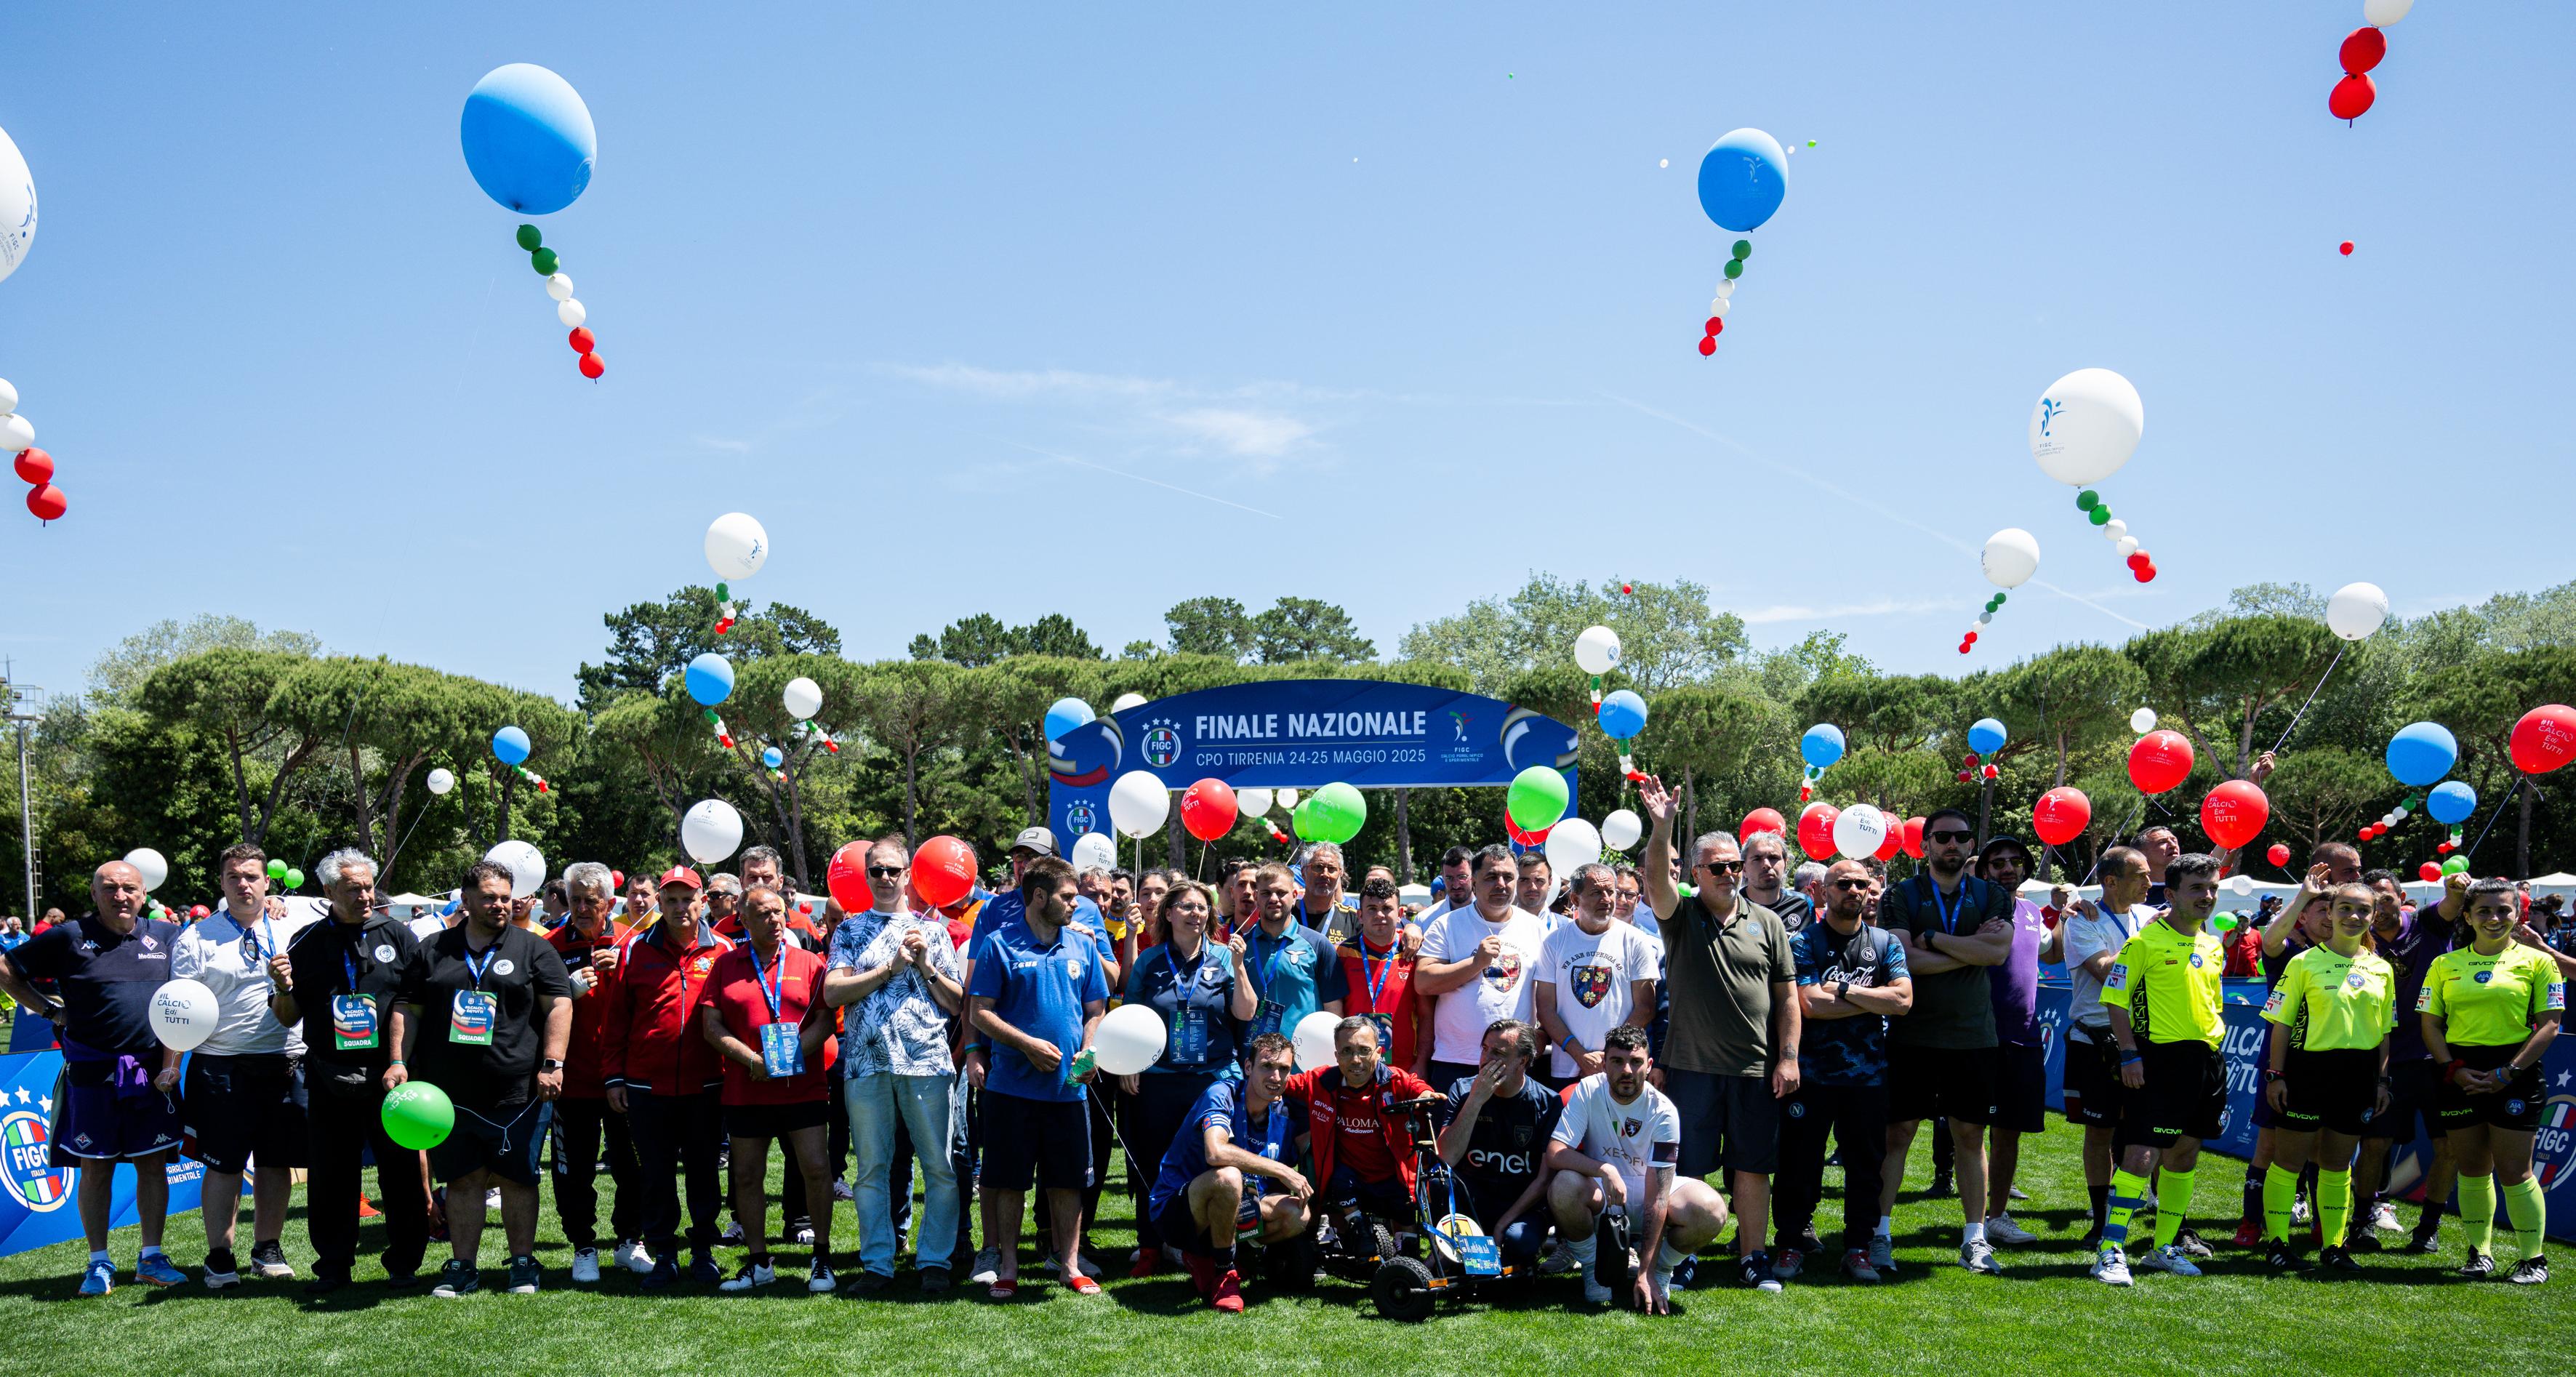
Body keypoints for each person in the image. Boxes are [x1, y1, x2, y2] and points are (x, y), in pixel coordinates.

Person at [1637, 776, 1798, 1292]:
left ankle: (1754, 1257)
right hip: (1691, 1067)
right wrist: (1661, 827)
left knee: (1753, 1169)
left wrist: (1788, 1057)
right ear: (1697, 873)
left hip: (1754, 1069)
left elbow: (1787, 997)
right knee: (1690, 1168)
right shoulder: (1680, 916)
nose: (1729, 873)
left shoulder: (1768, 923)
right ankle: (1685, 1255)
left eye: (1734, 865)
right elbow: (1655, 880)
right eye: (1719, 867)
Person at [0, 861, 189, 1294]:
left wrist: (171, 1063)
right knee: (96, 1166)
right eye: (110, 888)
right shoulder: (67, 936)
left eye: (128, 888)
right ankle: (98, 1262)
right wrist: (51, 1010)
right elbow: (6, 968)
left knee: (152, 1163)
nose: (120, 896)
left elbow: (186, 994)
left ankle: (152, 1256)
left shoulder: (168, 936)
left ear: (144, 895)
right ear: (94, 894)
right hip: (91, 1072)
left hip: (150, 1073)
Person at [390, 859, 574, 1298]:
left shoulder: (534, 949)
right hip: (449, 1095)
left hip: (518, 1091)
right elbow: (407, 1008)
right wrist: (397, 1060)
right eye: (490, 898)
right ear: (466, 900)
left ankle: (523, 1264)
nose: (500, 905)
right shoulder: (433, 949)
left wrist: (553, 1062)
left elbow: (560, 1005)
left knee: (518, 1179)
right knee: (464, 1180)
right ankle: (462, 1267)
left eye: (506, 898)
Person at [268, 848, 430, 1293]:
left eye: (368, 886)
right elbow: (286, 1015)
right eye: (353, 888)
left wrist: (401, 1061)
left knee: (400, 1172)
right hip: (327, 1074)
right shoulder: (305, 941)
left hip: (389, 1073)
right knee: (332, 1175)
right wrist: (282, 986)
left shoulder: (399, 935)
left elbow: (411, 1003)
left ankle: (404, 1264)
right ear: (328, 892)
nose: (364, 895)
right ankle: (334, 1265)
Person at [172, 842, 320, 1287]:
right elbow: (179, 1007)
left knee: (277, 1162)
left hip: (287, 1061)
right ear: (221, 883)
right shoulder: (196, 937)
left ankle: (266, 1248)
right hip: (220, 1064)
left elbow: (347, 905)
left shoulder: (295, 922)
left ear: (267, 882)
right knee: (223, 1165)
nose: (243, 884)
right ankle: (220, 1254)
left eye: (251, 876)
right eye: (234, 876)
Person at [1876, 807, 2015, 1275]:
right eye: (1942, 837)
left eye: (1960, 837)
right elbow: (1904, 961)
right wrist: (1969, 950)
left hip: (1973, 1036)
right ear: (1927, 845)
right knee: (1898, 1134)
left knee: (1970, 1136)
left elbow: (1998, 952)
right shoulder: (1900, 894)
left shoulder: (1992, 893)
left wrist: (1933, 937)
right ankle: (1880, 1233)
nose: (1951, 845)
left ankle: (1974, 1239)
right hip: (1912, 1034)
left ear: (1970, 845)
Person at [826, 838, 967, 1293]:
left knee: (939, 1167)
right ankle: (878, 1265)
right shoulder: (849, 931)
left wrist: (925, 964)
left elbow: (957, 1004)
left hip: (926, 1061)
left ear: (908, 875)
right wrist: (888, 968)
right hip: (867, 1066)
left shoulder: (935, 931)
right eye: (877, 871)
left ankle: (934, 1262)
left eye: (893, 871)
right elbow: (832, 993)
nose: (885, 879)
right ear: (866, 876)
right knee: (871, 1170)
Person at [966, 855, 1110, 1298]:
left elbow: (1096, 1010)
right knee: (1008, 1181)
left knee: (1067, 1181)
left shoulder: (1083, 946)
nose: (1075, 905)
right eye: (1068, 897)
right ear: (1039, 897)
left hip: (1069, 1091)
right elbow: (980, 1013)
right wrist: (1026, 1044)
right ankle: (1008, 1266)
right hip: (1011, 1090)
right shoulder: (998, 945)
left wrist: (1089, 1052)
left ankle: (1069, 1265)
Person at [2093, 853, 2231, 1286]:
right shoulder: (2144, 943)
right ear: (2170, 894)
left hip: (2206, 1062)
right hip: (2156, 1061)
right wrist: (2130, 1055)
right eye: (2196, 888)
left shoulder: (2212, 944)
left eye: (2212, 888)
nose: (2207, 896)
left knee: (2186, 1154)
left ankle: (2163, 1247)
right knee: (2141, 1154)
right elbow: (2116, 1002)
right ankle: (2111, 1249)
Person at [2421, 877, 2564, 1284]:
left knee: (2515, 1171)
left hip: (2516, 1073)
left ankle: (2532, 1259)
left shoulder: (2540, 961)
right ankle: (2479, 1253)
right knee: (2471, 1167)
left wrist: (2508, 1072)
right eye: (2484, 911)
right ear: (2467, 916)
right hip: (2459, 1072)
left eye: (2504, 910)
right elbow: (2430, 1023)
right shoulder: (2445, 964)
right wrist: (2453, 1069)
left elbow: (2550, 1025)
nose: (2495, 918)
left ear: (2517, 915)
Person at [1778, 858, 1912, 1283]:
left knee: (1866, 1166)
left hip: (1868, 1078)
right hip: (1812, 1076)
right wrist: (1873, 996)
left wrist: (1843, 989)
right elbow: (1809, 1004)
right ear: (1823, 891)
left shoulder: (1885, 942)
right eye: (1844, 884)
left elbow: (1904, 1001)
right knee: (1799, 1164)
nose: (1854, 891)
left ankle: (1857, 1247)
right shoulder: (1804, 942)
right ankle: (1790, 1244)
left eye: (1862, 884)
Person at [600, 865, 733, 1288]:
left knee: (704, 1171)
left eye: (687, 899)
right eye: (670, 900)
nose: (680, 908)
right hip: (645, 1085)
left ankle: (703, 1252)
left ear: (702, 903)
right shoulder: (635, 949)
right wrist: (614, 1077)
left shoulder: (724, 951)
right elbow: (616, 1020)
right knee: (655, 1174)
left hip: (708, 1084)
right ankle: (664, 1256)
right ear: (659, 904)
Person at [703, 884, 839, 1293]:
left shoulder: (811, 962)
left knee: (816, 1170)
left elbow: (825, 1021)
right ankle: (759, 1261)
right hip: (748, 1088)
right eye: (763, 914)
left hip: (804, 1087)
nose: (775, 920)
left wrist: (789, 1057)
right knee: (746, 1176)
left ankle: (821, 1257)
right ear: (743, 919)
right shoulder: (726, 966)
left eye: (779, 912)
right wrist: (753, 1061)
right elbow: (711, 1026)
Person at [1116, 879, 1253, 1277]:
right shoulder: (1150, 960)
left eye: (1203, 907)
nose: (1197, 913)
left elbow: (1245, 1013)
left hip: (1210, 1080)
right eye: (1188, 907)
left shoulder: (1226, 957)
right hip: (1158, 1079)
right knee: (1150, 1163)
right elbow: (1131, 1018)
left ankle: (1200, 1245)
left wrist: (1240, 968)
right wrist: (1129, 1065)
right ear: (1170, 914)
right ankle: (1150, 1246)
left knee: (1204, 1163)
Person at [2258, 881, 2397, 1274]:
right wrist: (2276, 1075)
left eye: (2363, 911)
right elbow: (2281, 1024)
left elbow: (2385, 1031)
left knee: (2337, 1165)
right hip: (2307, 1073)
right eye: (2346, 909)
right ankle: (2278, 1243)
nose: (2354, 917)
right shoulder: (2302, 963)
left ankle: (2334, 1247)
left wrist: (2383, 1082)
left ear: (2374, 916)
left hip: (2359, 1077)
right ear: (2331, 913)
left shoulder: (2381, 968)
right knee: (2288, 1162)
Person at [1546, 1025, 1729, 1312]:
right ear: (1604, 1063)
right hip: (1605, 1191)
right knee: (1563, 1186)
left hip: (1650, 1187)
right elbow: (1556, 1153)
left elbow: (1657, 1197)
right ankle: (1595, 1270)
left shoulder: (1664, 1112)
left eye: (1636, 1062)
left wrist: (1646, 1269)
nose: (1627, 1071)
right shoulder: (1588, 1090)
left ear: (1649, 1065)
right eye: (1617, 1061)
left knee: (1712, 1210)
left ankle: (1659, 1273)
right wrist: (1604, 1168)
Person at [1146, 1032, 1312, 1312]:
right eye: (1267, 1066)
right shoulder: (1222, 1093)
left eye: (1284, 1069)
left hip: (1238, 1207)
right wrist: (1282, 1170)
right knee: (1228, 1176)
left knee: (1298, 1214)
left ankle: (1228, 1255)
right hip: (1176, 1210)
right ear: (1248, 1068)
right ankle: (1225, 1273)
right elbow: (1216, 1153)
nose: (1276, 1076)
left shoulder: (1283, 1114)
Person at [543, 861, 642, 1282]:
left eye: (592, 900)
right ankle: (583, 1245)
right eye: (575, 900)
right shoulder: (547, 945)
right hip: (574, 1080)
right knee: (574, 1170)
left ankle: (629, 1241)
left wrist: (623, 969)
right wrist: (568, 988)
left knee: (632, 1165)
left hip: (624, 1077)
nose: (583, 908)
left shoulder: (633, 941)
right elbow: (530, 1005)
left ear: (609, 903)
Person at [2354, 867, 2459, 1252]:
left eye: (2385, 896)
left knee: (2448, 1147)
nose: (2379, 905)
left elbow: (2452, 904)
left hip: (2439, 1058)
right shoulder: (2357, 938)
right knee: (2375, 1146)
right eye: (2371, 898)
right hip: (2384, 1062)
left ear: (2401, 896)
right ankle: (2361, 1224)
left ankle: (2428, 1228)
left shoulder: (2427, 923)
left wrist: (2456, 887)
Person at [2061, 846, 2153, 1248]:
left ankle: (2146, 1213)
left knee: (2147, 1132)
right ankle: (2100, 1220)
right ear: (2112, 881)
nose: (2150, 883)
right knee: (2100, 1132)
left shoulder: (2148, 918)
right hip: (2096, 1037)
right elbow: (2104, 972)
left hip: (2147, 1038)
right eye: (2141, 875)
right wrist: (2152, 947)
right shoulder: (2082, 921)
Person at [1973, 834, 2057, 1248]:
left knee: (2008, 1132)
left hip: (2023, 1037)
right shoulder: (1971, 909)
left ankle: (1997, 1216)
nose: (2007, 868)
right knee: (1969, 1131)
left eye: (2014, 862)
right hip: (1977, 1038)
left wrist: (2070, 914)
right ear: (1983, 869)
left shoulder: (2031, 913)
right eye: (1997, 862)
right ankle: (1974, 1225)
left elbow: (2052, 953)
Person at [1285, 1016, 1436, 1242]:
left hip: (1392, 1179)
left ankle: (1401, 1245)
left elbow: (1415, 1085)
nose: (1356, 1060)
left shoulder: (1394, 1080)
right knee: (1339, 1181)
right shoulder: (1321, 1081)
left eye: (1364, 1050)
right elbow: (1282, 1083)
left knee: (1408, 1251)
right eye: (1346, 1051)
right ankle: (1354, 1227)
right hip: (1349, 1181)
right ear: (1336, 1056)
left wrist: (1425, 1094)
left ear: (1378, 1052)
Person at [1414, 846, 1549, 1089]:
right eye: (1491, 877)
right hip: (1457, 1061)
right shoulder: (1447, 925)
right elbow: (1424, 982)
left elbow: (1548, 993)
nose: (1501, 884)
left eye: (1508, 877)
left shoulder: (1536, 927)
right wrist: (1475, 963)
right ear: (1474, 883)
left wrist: (1542, 1034)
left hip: (1516, 1062)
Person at [1435, 1019, 1562, 1269]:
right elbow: (1445, 1157)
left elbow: (1545, 1180)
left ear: (1522, 1061)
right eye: (1484, 1049)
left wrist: (1505, 1222)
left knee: (1517, 1246)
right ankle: (1451, 1251)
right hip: (1473, 1202)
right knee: (1437, 1181)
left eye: (1498, 1053)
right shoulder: (1462, 1090)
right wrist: (1476, 1101)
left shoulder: (1548, 1102)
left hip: (1520, 1205)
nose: (1486, 1058)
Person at [1533, 862, 1658, 1090]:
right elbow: (1545, 1009)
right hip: (1566, 1069)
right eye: (1596, 893)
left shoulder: (1636, 941)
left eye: (1611, 891)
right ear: (1574, 899)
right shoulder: (1554, 943)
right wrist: (1580, 1056)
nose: (1607, 899)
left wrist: (1608, 1055)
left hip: (1621, 1068)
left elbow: (1646, 1007)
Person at [1229, 862, 1348, 1042]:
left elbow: (1334, 1011)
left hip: (1304, 1062)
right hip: (1255, 1063)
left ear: (1294, 897)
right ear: (1256, 897)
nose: (1274, 899)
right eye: (1266, 893)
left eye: (1281, 893)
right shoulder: (1241, 947)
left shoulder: (1318, 945)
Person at [1336, 877, 1424, 1077]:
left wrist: (1422, 1061)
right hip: (1355, 1065)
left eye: (1387, 908)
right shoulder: (1343, 953)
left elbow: (1426, 1016)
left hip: (1405, 1067)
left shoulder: (1413, 953)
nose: (1380, 915)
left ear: (1400, 913)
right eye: (1372, 909)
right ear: (1360, 915)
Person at [1740, 830, 1812, 932]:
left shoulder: (1803, 905)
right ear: (1744, 869)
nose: (1766, 865)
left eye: (1773, 858)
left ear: (1786, 864)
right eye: (1757, 859)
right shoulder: (1732, 905)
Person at [1299, 843, 1361, 944]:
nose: (1325, 874)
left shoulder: (1354, 919)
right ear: (1303, 873)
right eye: (1318, 867)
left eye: (1332, 868)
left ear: (1340, 873)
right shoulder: (1288, 915)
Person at [1415, 846, 1478, 928]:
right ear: (1442, 876)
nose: (1456, 885)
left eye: (1462, 877)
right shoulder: (1424, 920)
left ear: (1474, 875)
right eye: (1449, 878)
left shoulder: (1490, 915)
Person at [1514, 855, 1555, 924]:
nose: (1533, 887)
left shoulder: (1566, 927)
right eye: (1525, 880)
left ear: (1550, 883)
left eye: (1539, 881)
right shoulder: (1497, 927)